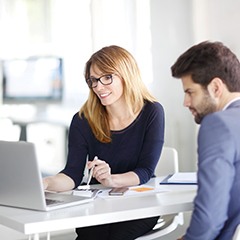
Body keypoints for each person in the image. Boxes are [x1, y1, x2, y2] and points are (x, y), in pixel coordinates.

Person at [43, 45, 165, 240]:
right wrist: (46, 182)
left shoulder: (151, 112)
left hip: (139, 204)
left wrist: (111, 180)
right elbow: (72, 174)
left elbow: (145, 171)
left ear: (126, 75)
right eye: (93, 80)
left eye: (107, 78)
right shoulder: (83, 120)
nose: (98, 87)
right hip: (97, 207)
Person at [171, 41, 240, 240]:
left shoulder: (218, 124)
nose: (186, 103)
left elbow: (211, 217)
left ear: (216, 87)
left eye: (190, 92)